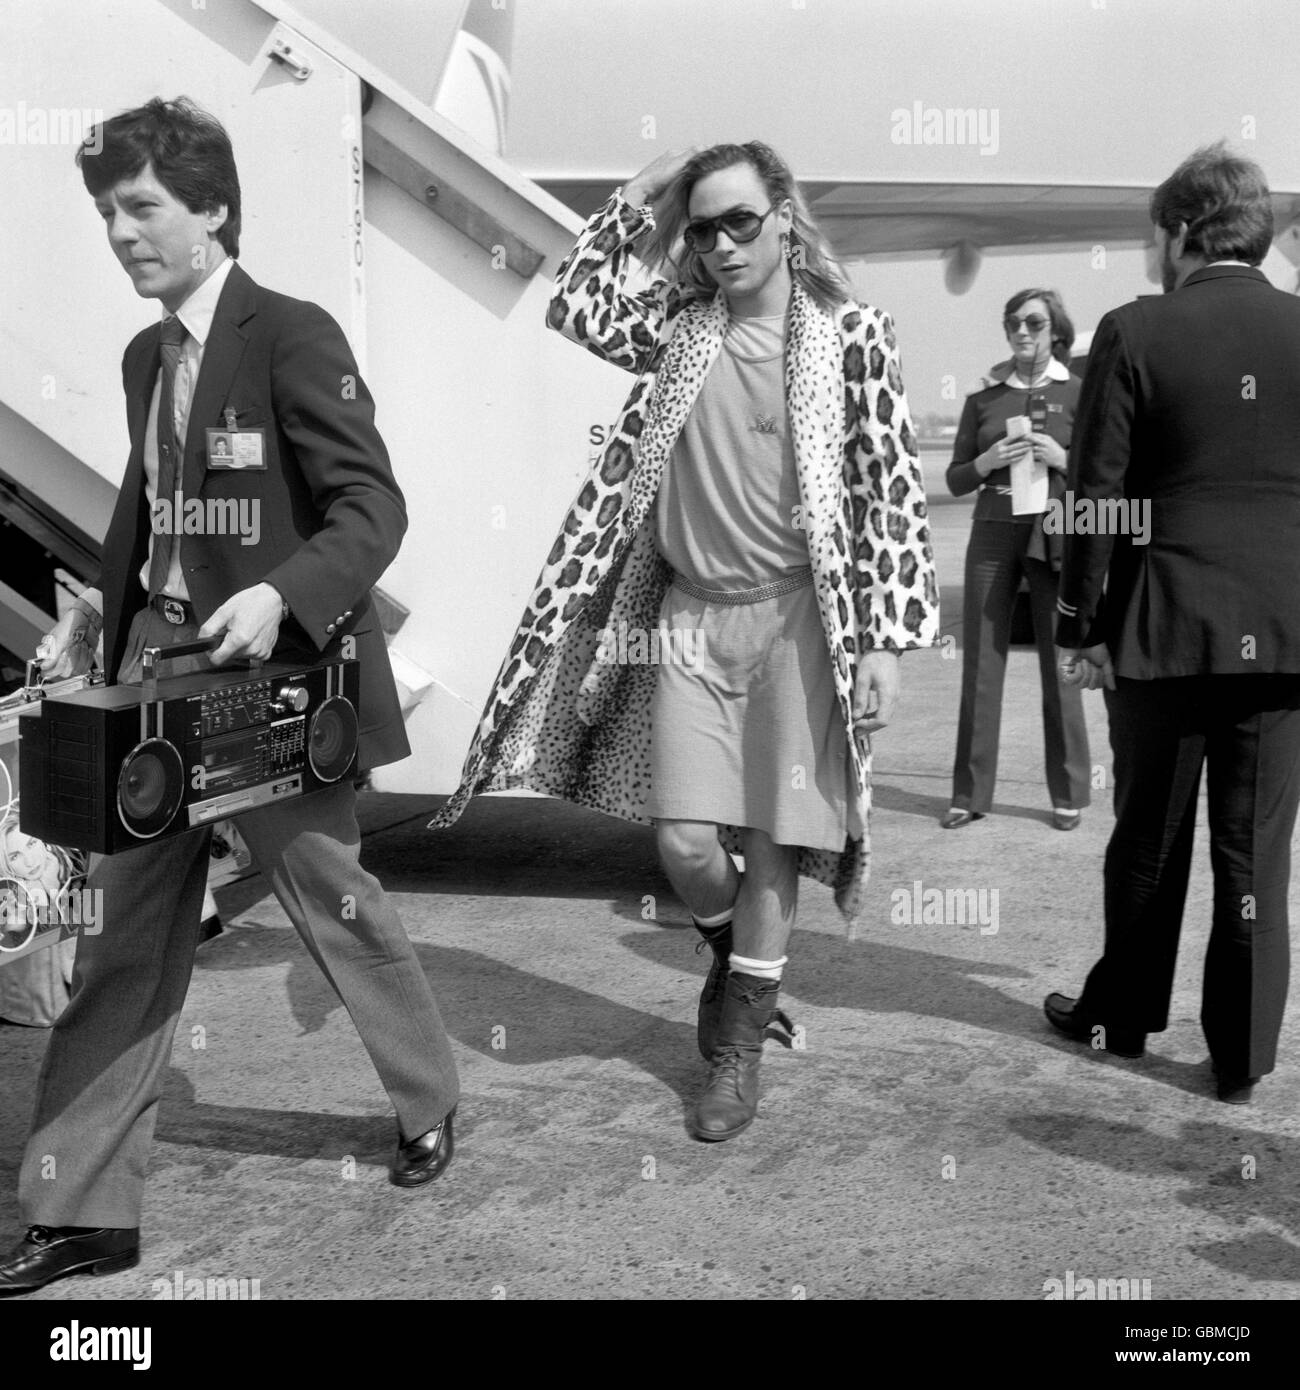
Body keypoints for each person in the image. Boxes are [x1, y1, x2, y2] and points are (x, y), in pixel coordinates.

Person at [0, 98, 459, 1297]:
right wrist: (102, 617)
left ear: (212, 209)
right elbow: (151, 507)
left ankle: (427, 1095)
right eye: (107, 211)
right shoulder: (145, 355)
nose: (121, 230)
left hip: (272, 683)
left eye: (143, 205)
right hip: (158, 686)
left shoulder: (291, 335)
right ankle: (80, 1207)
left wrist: (283, 597)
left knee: (332, 900)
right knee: (121, 945)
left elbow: (373, 508)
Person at [432, 142, 939, 1141]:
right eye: (701, 227)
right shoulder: (676, 326)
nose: (719, 244)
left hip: (799, 621)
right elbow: (572, 301)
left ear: (786, 218)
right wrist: (634, 199)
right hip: (689, 621)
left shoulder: (851, 336)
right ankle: (733, 959)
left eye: (739, 221)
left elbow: (890, 490)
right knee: (683, 841)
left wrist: (884, 641)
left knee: (778, 841)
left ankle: (735, 1051)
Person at [1045, 142, 1300, 1104]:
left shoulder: (1136, 329)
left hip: (1161, 625)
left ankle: (1122, 1020)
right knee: (1254, 856)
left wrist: (1079, 624)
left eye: (1157, 232)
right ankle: (1238, 1059)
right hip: (1283, 634)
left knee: (1148, 836)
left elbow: (1099, 495)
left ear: (1184, 230)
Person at [941, 289, 1090, 831]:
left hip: (1054, 532)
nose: (1023, 332)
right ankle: (968, 794)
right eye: (1013, 323)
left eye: (1034, 322)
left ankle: (1069, 793)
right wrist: (985, 459)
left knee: (1061, 662)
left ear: (1056, 331)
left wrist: (1063, 459)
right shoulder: (984, 400)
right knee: (981, 663)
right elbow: (957, 478)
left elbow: (1107, 471)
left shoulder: (1078, 393)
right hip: (992, 532)